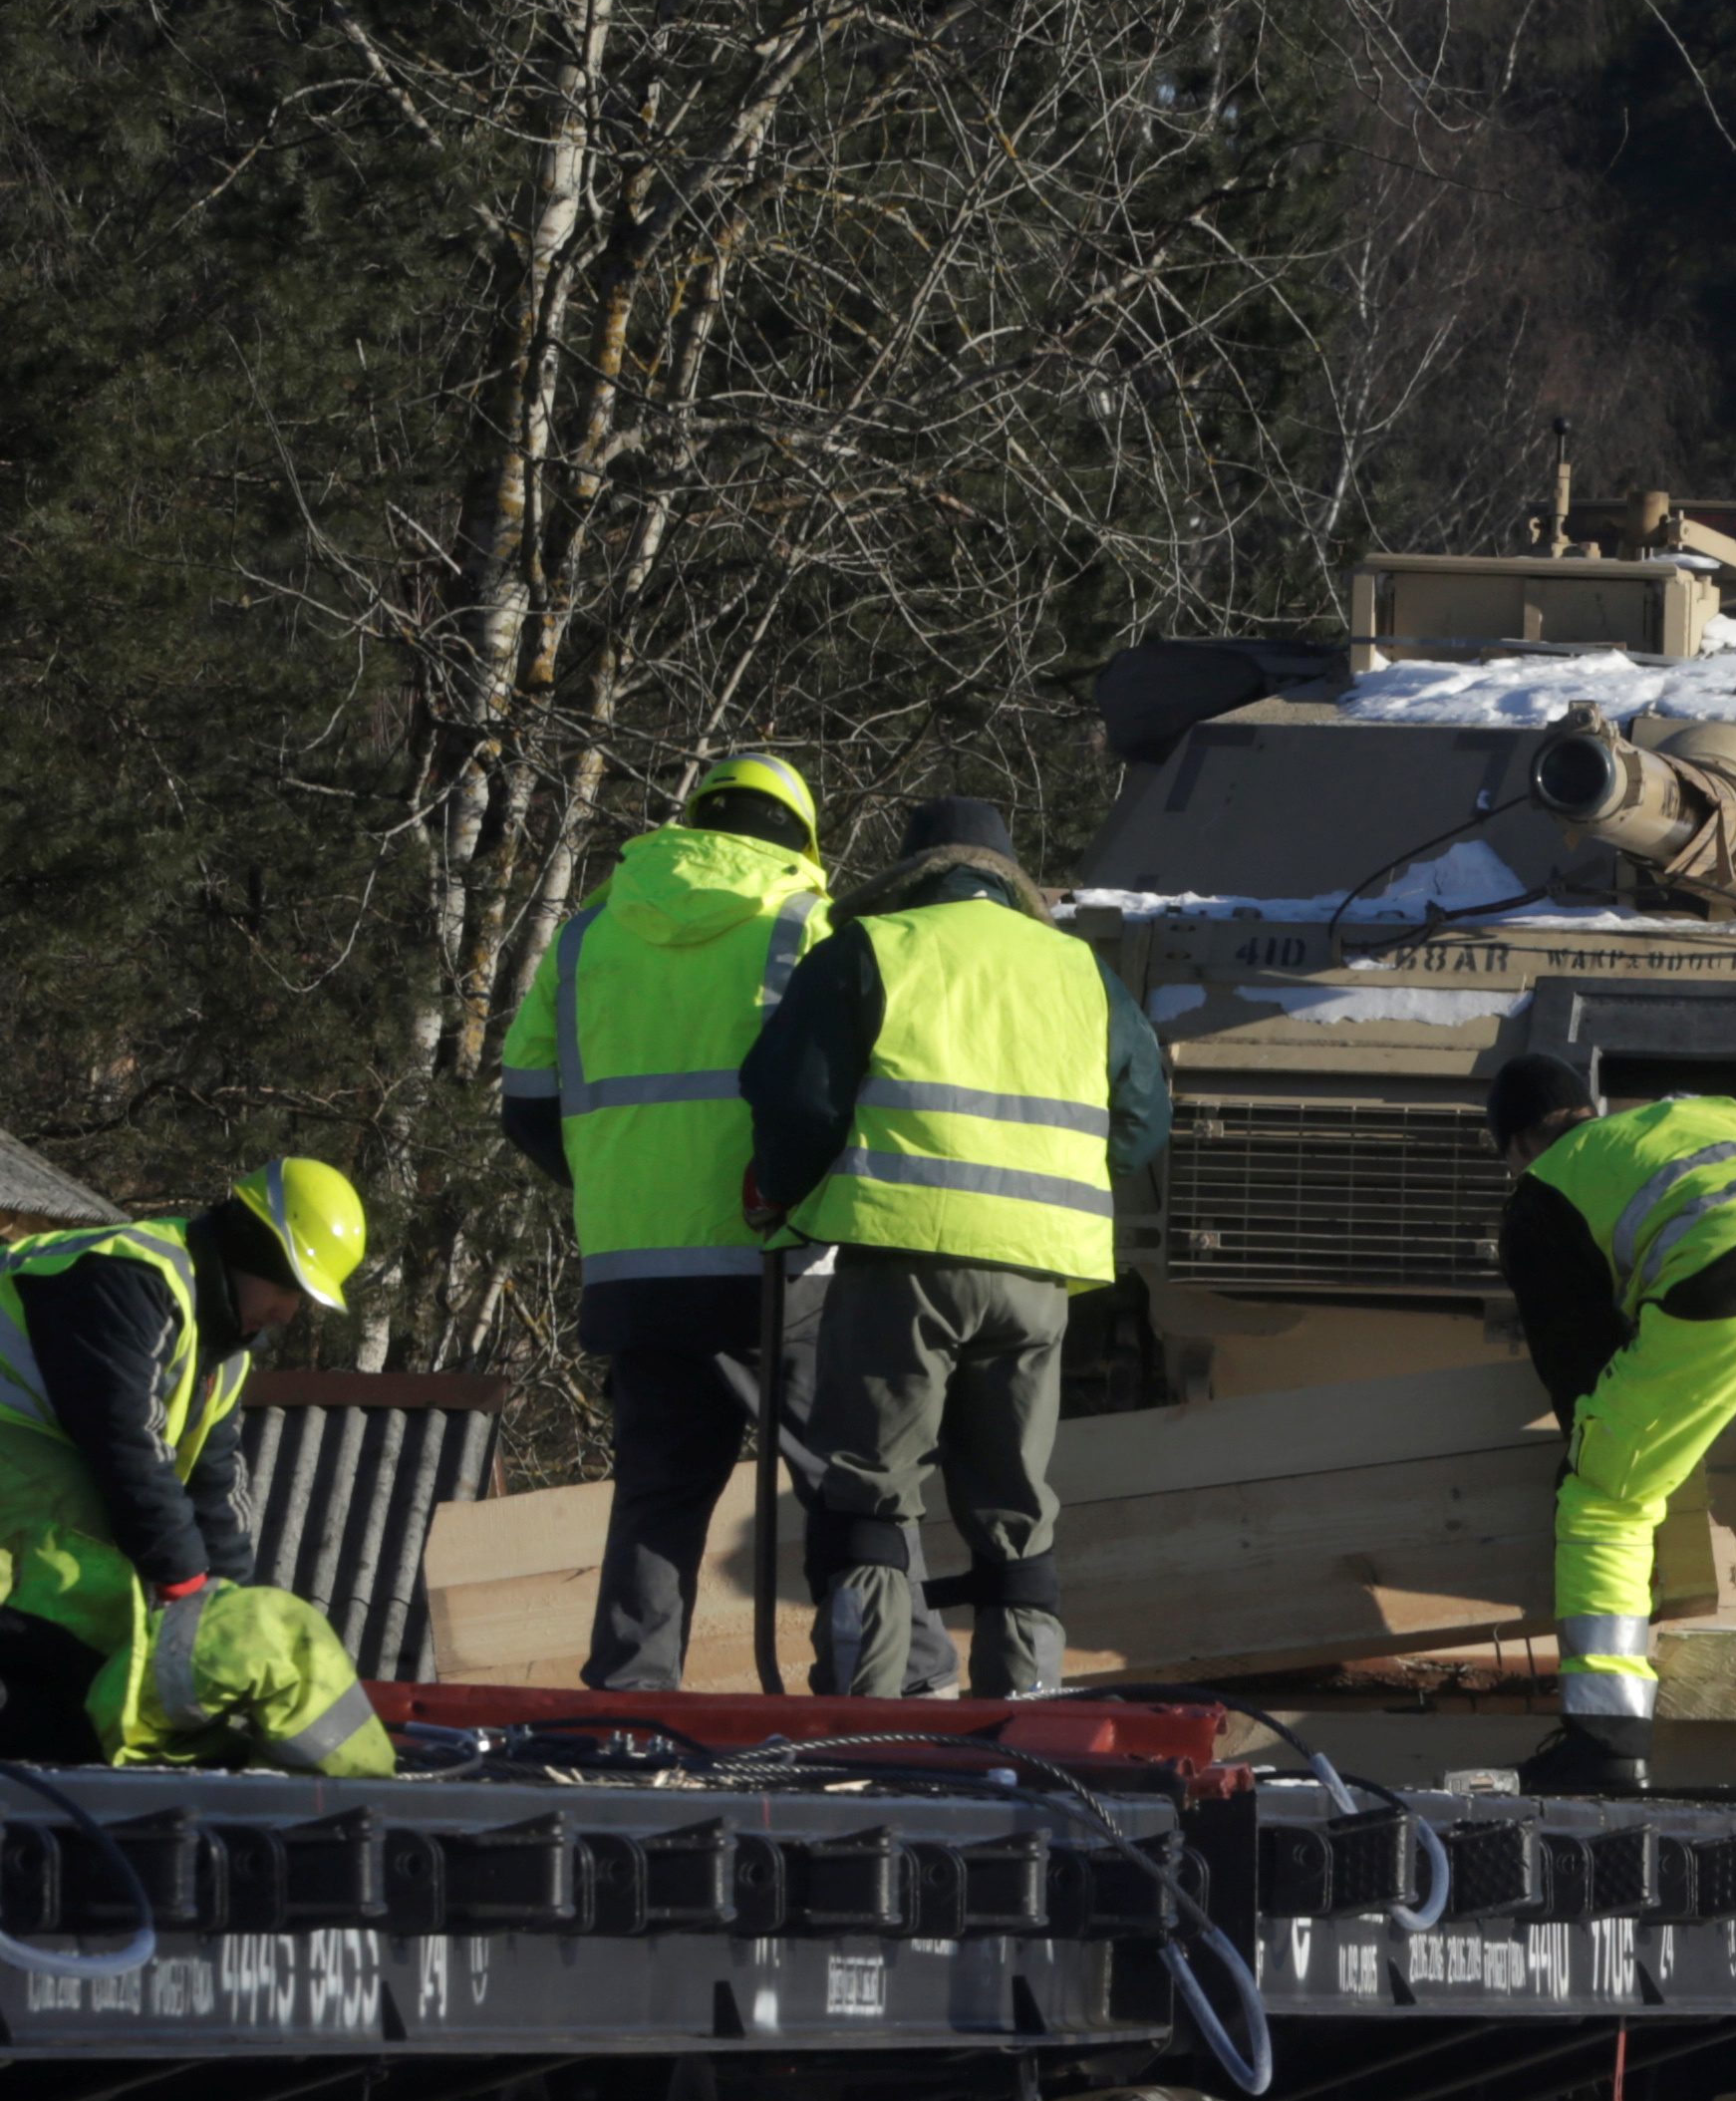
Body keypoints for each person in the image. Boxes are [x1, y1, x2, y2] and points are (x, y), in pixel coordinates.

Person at [496, 750, 937, 1690]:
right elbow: (848, 1095)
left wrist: (619, 1186)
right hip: (776, 1259)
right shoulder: (807, 927)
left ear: (696, 821)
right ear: (804, 842)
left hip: (634, 1270)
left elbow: (527, 1101)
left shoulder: (586, 938)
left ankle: (630, 1690)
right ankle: (892, 1678)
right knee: (847, 1483)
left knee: (657, 1492)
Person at [742, 797, 1168, 1698]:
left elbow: (797, 1098)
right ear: (1008, 881)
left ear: (912, 875)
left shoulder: (876, 950)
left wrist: (778, 1187)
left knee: (869, 1488)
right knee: (1015, 1501)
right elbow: (1142, 1118)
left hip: (906, 1259)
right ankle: (1024, 1707)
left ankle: (867, 1709)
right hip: (1039, 1275)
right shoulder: (1079, 970)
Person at [1485, 1051, 1736, 1798]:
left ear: (1513, 1146)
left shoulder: (1543, 1191)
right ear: (1586, 1110)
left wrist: (1597, 1448)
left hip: (1733, 1277)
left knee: (1604, 1498)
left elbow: (1577, 1364)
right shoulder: (1687, 1120)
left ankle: (1604, 1745)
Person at [0, 1158, 393, 1774]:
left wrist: (230, 1618)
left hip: (32, 1443)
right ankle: (45, 1723)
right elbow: (126, 1446)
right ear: (254, 1252)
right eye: (290, 1289)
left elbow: (214, 1490)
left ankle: (62, 1724)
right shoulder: (133, 1277)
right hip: (14, 1441)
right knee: (83, 1547)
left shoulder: (222, 1355)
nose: (289, 1314)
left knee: (128, 1563)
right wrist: (186, 1588)